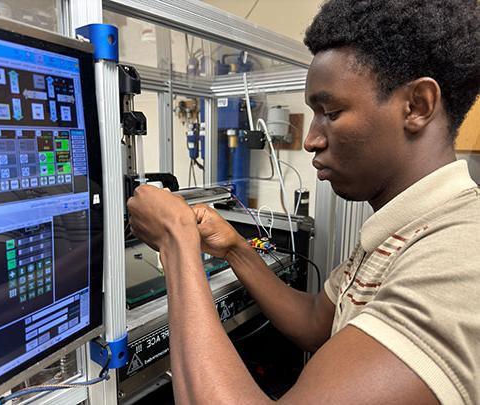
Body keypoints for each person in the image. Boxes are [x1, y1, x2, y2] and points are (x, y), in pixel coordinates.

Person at [127, 0, 480, 403]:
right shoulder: (404, 231)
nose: (311, 138)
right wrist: (236, 250)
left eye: (330, 111)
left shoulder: (457, 259)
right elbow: (316, 321)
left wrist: (175, 241)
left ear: (417, 106)